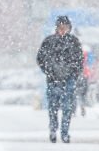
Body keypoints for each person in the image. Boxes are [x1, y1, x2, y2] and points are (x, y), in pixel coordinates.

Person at [36, 15, 84, 143]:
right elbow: (40, 59)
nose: (62, 30)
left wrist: (73, 74)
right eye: (60, 27)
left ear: (69, 28)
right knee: (53, 107)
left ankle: (65, 132)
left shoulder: (74, 42)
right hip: (53, 80)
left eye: (65, 27)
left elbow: (79, 61)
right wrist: (49, 71)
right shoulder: (49, 41)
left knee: (67, 108)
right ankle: (53, 130)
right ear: (57, 28)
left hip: (68, 80)